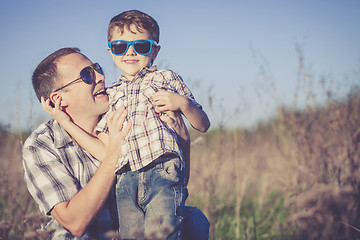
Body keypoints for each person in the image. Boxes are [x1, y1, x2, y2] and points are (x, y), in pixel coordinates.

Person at [41, 10, 210, 239]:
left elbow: (202, 124)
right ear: (110, 50)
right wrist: (65, 122)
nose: (130, 52)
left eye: (141, 45)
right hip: (126, 179)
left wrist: (183, 104)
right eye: (121, 46)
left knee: (163, 232)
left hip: (162, 168)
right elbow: (105, 151)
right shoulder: (111, 95)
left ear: (155, 50)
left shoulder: (166, 79)